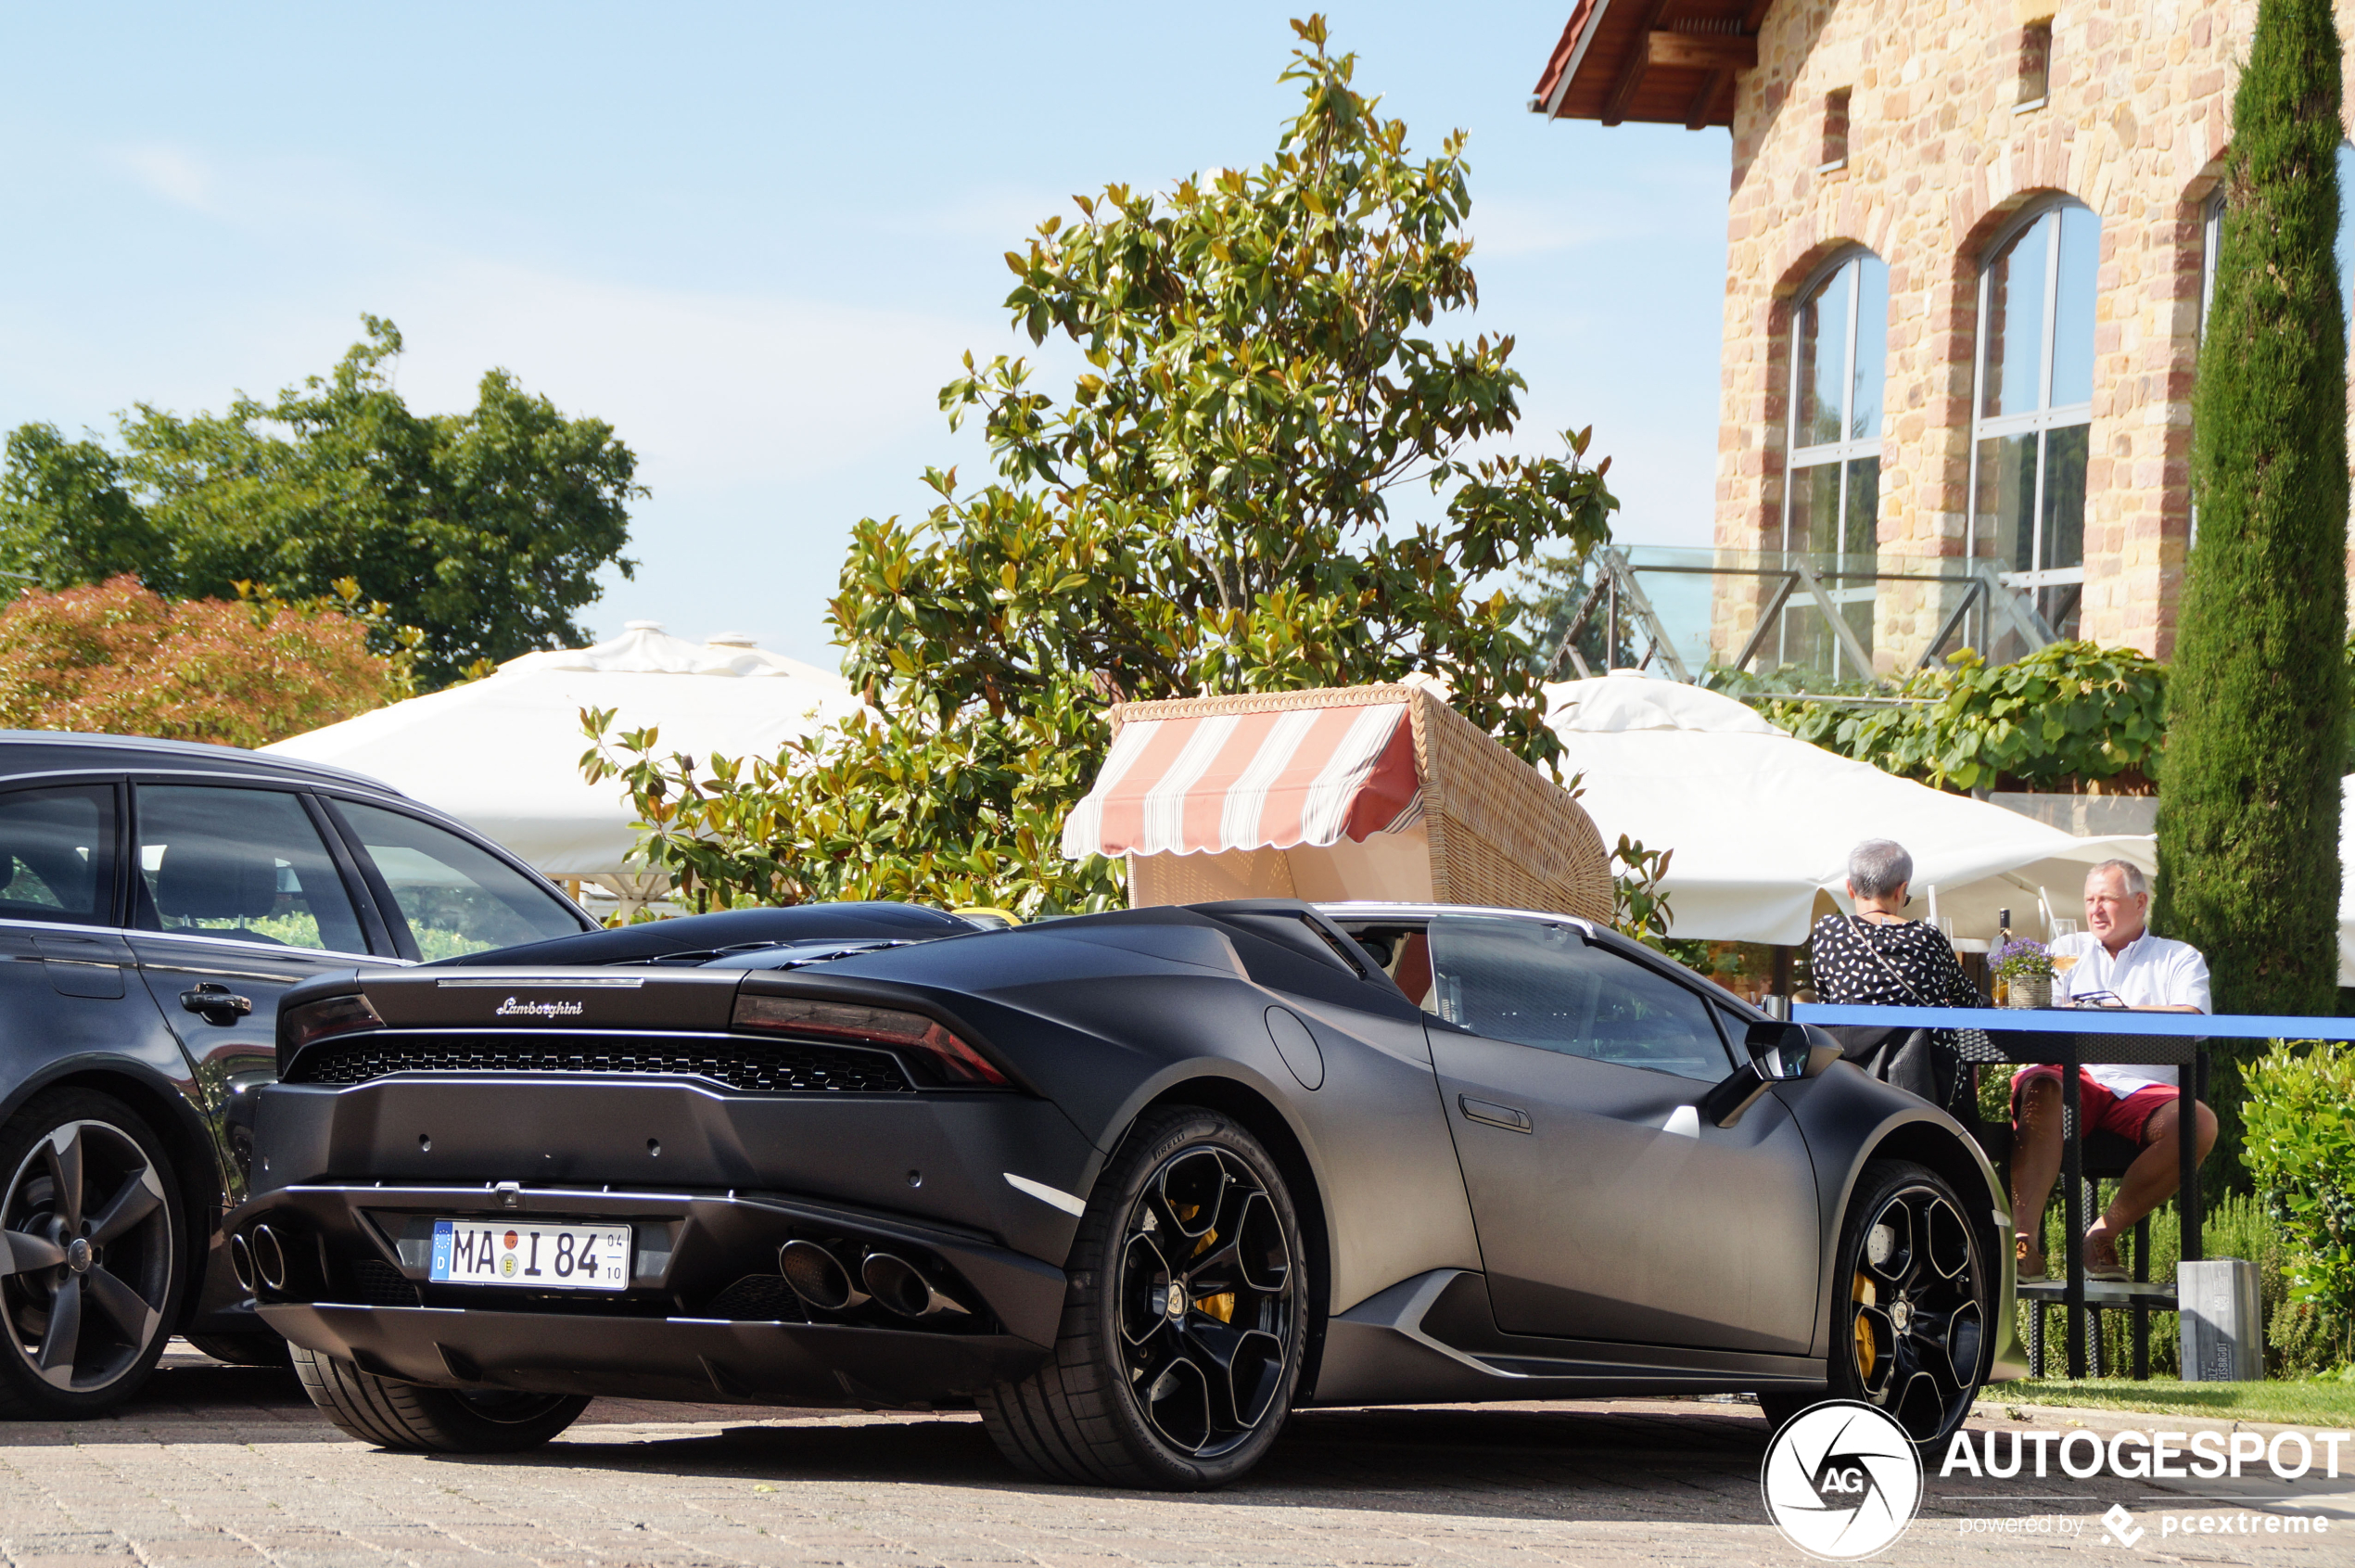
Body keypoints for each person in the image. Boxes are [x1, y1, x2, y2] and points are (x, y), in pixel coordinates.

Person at [2008, 860, 2216, 1281]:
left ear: (2140, 903)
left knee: (2199, 1124)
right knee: (2043, 1086)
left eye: (2107, 899)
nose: (2096, 910)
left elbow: (2193, 1022)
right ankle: (2023, 1241)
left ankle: (2103, 1232)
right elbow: (2034, 1016)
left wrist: (2107, 1012)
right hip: (2073, 1079)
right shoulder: (2065, 950)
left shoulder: (2178, 957)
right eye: (2090, 900)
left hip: (2142, 1090)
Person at [1809, 839, 1986, 1113]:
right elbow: (1970, 1003)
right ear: (1902, 890)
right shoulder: (1928, 938)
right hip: (1925, 1087)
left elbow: (1827, 1002)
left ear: (1850, 888)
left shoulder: (1829, 931)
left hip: (1847, 1082)